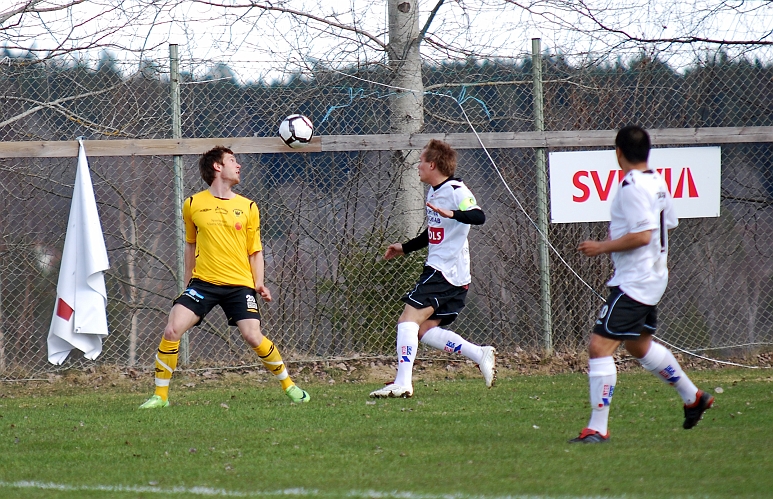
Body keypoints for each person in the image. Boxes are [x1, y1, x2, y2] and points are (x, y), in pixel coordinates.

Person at [569, 125, 713, 442]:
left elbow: (643, 235)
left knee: (598, 346)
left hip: (635, 281)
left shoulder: (632, 186)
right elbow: (668, 224)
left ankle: (597, 428)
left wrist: (601, 246)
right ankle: (694, 397)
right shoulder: (656, 181)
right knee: (638, 345)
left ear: (618, 153)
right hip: (653, 276)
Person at [140, 146, 309, 408]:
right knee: (172, 329)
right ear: (217, 167)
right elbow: (190, 246)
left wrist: (259, 283)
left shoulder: (248, 206)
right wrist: (186, 284)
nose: (238, 165)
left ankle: (290, 385)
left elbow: (255, 250)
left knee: (253, 336)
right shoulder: (193, 204)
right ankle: (159, 397)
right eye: (232, 160)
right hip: (203, 284)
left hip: (239, 286)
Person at [370, 139, 496, 399]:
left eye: (420, 161)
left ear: (432, 164)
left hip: (443, 272)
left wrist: (454, 214)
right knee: (425, 329)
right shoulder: (434, 191)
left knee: (407, 322)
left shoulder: (455, 189)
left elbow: (478, 216)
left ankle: (403, 383)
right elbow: (435, 232)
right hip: (453, 274)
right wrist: (405, 247)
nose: (417, 166)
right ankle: (478, 353)